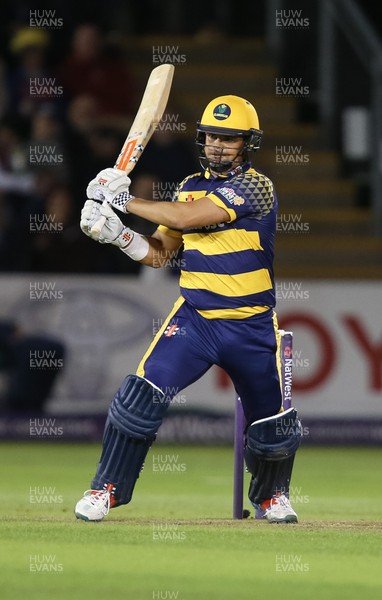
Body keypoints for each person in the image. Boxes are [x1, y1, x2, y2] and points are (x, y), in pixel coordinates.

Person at [75, 95, 302, 523]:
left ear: (247, 144)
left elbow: (192, 217)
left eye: (228, 138)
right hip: (195, 319)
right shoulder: (187, 186)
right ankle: (105, 490)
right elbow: (160, 252)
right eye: (212, 136)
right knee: (139, 399)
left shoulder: (257, 186)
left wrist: (121, 201)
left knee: (272, 424)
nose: (217, 145)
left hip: (251, 324)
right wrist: (117, 235)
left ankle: (272, 497)